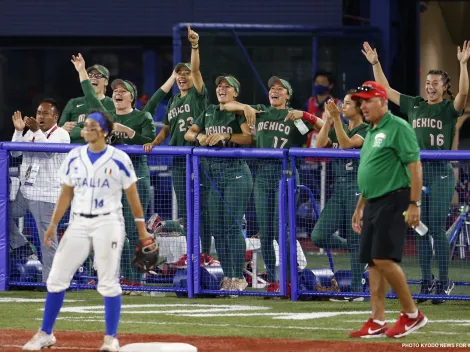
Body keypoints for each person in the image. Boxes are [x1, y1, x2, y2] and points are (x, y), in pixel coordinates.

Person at [22, 111, 157, 351]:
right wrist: (53, 224)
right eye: (85, 126)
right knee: (56, 278)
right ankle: (45, 333)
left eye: (92, 126)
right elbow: (65, 193)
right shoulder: (74, 156)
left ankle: (110, 338)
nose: (86, 129)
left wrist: (142, 231)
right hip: (79, 223)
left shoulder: (119, 158)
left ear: (105, 131)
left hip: (108, 223)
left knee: (108, 281)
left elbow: (133, 197)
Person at [362, 41, 470, 304]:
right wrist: (376, 63)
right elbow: (386, 90)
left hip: (441, 173)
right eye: (428, 81)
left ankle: (444, 282)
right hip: (416, 173)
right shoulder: (415, 104)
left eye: (436, 82)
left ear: (445, 87)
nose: (430, 85)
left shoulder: (447, 108)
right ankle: (426, 281)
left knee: (434, 227)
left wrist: (463, 64)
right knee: (418, 228)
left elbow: (464, 95)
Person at [71, 53, 165, 290]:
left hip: (137, 180)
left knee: (134, 229)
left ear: (132, 97)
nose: (118, 93)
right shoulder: (107, 116)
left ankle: (136, 279)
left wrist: (129, 133)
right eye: (115, 91)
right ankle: (116, 276)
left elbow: (149, 143)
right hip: (111, 181)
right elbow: (91, 96)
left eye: (123, 91)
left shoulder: (142, 116)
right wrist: (81, 70)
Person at [223, 76, 324, 293]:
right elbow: (227, 105)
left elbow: (325, 127)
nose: (274, 91)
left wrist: (305, 115)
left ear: (288, 95)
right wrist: (245, 108)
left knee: (282, 230)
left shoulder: (294, 117)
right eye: (272, 88)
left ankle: (291, 276)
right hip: (263, 176)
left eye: (280, 88)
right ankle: (274, 279)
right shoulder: (260, 111)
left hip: (285, 174)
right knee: (266, 233)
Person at [349, 81, 428, 338]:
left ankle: (412, 314)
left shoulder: (398, 126)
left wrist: (414, 204)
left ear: (383, 100)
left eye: (368, 100)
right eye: (360, 102)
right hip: (373, 201)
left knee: (384, 258)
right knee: (373, 262)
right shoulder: (371, 131)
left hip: (394, 199)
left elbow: (414, 166)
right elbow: (371, 171)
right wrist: (361, 204)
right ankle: (377, 319)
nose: (363, 106)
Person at [144, 25, 214, 264]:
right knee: (186, 211)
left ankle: (203, 252)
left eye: (185, 73)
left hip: (198, 156)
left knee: (201, 210)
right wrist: (154, 141)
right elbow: (166, 127)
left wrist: (194, 46)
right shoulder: (173, 100)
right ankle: (192, 252)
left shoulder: (198, 94)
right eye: (178, 74)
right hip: (178, 161)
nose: (182, 76)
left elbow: (196, 69)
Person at [184, 75, 253, 291]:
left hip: (236, 174)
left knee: (232, 226)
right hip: (214, 176)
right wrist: (200, 138)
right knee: (217, 228)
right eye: (219, 86)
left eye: (227, 86)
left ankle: (238, 277)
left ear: (236, 93)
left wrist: (226, 135)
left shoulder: (238, 112)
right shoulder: (209, 111)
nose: (221, 89)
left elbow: (249, 138)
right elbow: (189, 133)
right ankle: (227, 277)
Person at [298, 92, 368, 301]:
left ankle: (356, 291)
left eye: (347, 104)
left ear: (359, 108)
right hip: (339, 189)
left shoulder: (366, 129)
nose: (342, 106)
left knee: (356, 236)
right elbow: (319, 145)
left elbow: (346, 145)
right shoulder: (340, 126)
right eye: (342, 103)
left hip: (357, 188)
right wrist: (328, 119)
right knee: (319, 235)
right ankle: (360, 247)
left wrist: (336, 119)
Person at [10, 99, 70, 283]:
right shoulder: (31, 133)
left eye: (45, 113)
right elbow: (15, 153)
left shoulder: (61, 135)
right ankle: (21, 247)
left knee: (47, 240)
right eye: (38, 113)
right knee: (3, 214)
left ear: (55, 117)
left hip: (47, 195)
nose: (40, 116)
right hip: (26, 193)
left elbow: (48, 152)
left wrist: (36, 130)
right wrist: (19, 131)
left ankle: (51, 281)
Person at [59, 64, 114, 143]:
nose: (93, 77)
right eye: (90, 75)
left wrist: (77, 132)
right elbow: (58, 129)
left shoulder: (113, 104)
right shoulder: (73, 102)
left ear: (106, 81)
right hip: (73, 150)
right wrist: (63, 128)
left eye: (98, 75)